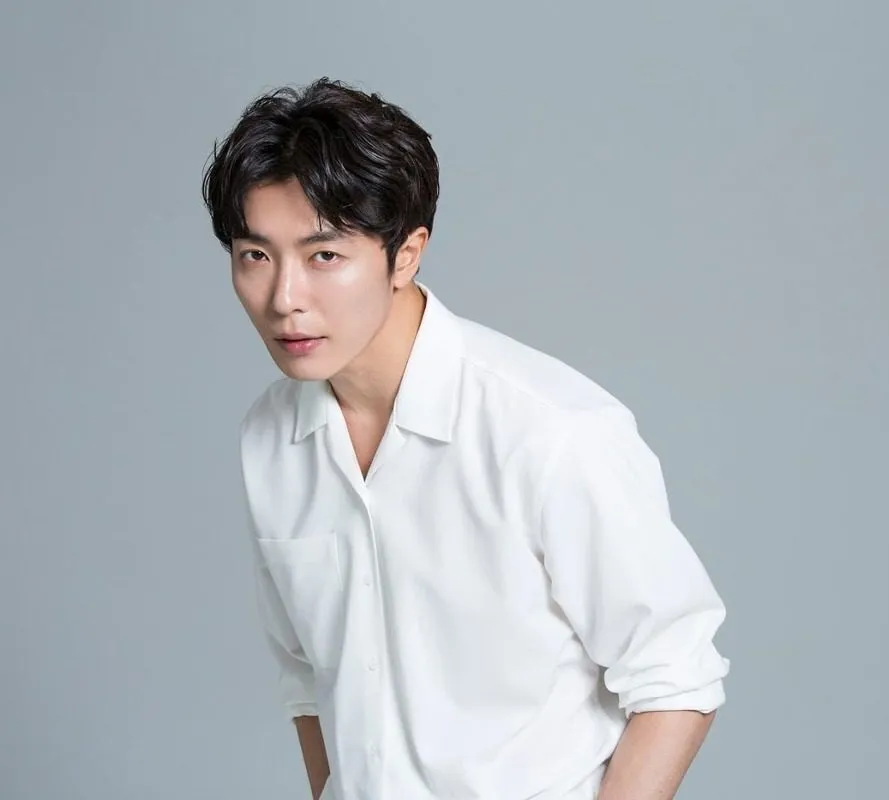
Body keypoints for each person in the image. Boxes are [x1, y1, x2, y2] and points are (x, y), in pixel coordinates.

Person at [202, 77, 730, 800]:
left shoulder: (549, 431)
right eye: (255, 255)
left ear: (406, 253)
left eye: (324, 256)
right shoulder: (269, 440)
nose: (284, 298)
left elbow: (677, 678)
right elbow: (308, 680)